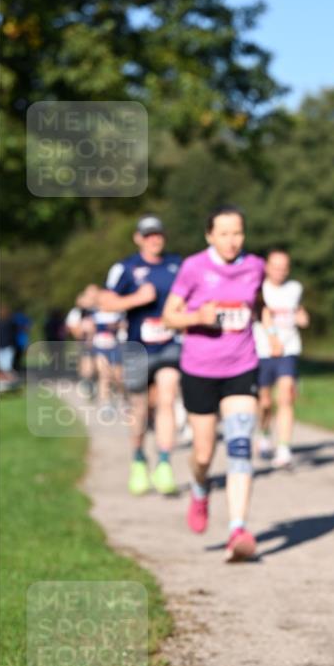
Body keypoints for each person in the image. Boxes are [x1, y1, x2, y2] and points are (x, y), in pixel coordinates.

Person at [162, 205, 264, 560]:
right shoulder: (194, 268)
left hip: (242, 366)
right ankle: (200, 486)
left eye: (237, 232)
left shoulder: (255, 266)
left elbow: (258, 306)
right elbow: (168, 317)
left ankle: (237, 528)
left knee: (239, 445)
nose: (232, 240)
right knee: (203, 453)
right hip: (200, 369)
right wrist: (197, 316)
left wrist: (273, 330)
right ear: (209, 236)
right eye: (223, 233)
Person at [98, 215, 182, 496]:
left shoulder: (177, 265)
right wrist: (136, 299)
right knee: (139, 407)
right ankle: (137, 458)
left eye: (158, 234)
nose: (154, 239)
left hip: (170, 344)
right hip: (137, 347)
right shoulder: (125, 268)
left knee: (168, 398)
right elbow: (105, 301)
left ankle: (165, 462)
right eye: (148, 235)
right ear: (138, 238)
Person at [253, 248, 310, 467]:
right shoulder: (259, 289)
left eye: (284, 267)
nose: (280, 271)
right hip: (262, 351)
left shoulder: (295, 288)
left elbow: (299, 311)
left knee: (286, 396)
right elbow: (261, 316)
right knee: (265, 402)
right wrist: (271, 338)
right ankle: (264, 431)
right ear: (267, 267)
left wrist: (302, 317)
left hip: (289, 349)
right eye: (276, 266)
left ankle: (284, 448)